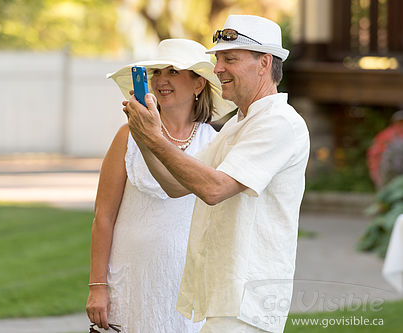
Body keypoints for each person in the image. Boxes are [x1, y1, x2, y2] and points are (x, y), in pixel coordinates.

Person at [124, 15, 310, 333]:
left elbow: (214, 189)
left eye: (230, 58)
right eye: (218, 58)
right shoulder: (238, 124)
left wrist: (155, 138)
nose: (218, 68)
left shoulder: (280, 123)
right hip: (226, 301)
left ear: (264, 63)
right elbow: (176, 185)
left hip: (247, 306)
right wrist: (143, 137)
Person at [86, 39, 235, 332]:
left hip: (190, 285)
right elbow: (103, 216)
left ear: (198, 85)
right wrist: (97, 286)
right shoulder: (127, 136)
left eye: (173, 71)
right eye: (156, 73)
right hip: (130, 281)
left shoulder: (217, 143)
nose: (161, 80)